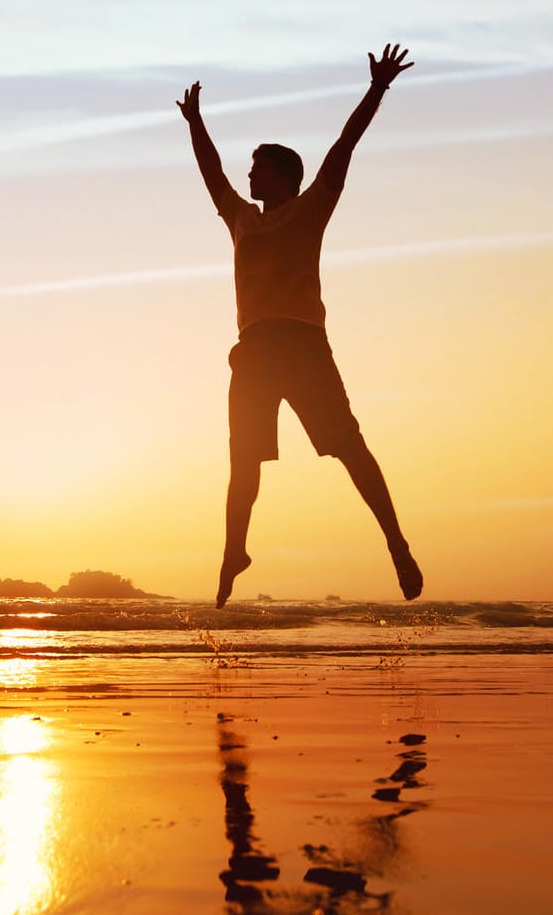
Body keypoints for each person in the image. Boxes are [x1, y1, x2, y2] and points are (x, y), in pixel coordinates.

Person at [177, 45, 422, 607]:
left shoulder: (311, 208)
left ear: (285, 176)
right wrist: (195, 123)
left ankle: (397, 543)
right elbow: (210, 172)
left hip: (304, 345)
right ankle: (233, 551)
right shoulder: (240, 218)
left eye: (259, 167)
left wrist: (377, 89)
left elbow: (343, 147)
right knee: (243, 463)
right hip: (254, 351)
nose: (249, 174)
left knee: (350, 448)